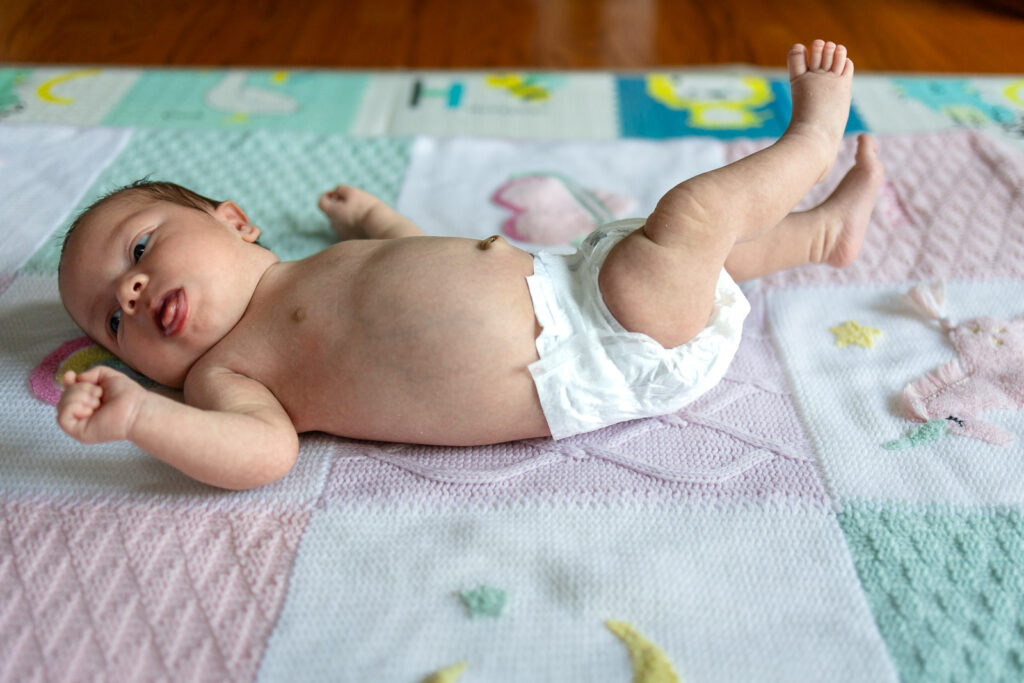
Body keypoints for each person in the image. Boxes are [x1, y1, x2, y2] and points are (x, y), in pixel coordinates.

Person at [56, 40, 883, 490]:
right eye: (112, 320)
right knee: (689, 225)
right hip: (593, 353)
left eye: (139, 249)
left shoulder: (311, 271)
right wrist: (143, 418)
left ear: (234, 222)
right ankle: (808, 144)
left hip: (571, 280)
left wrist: (372, 219)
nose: (129, 293)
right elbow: (260, 456)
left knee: (680, 254)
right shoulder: (227, 374)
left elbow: (409, 264)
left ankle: (819, 237)